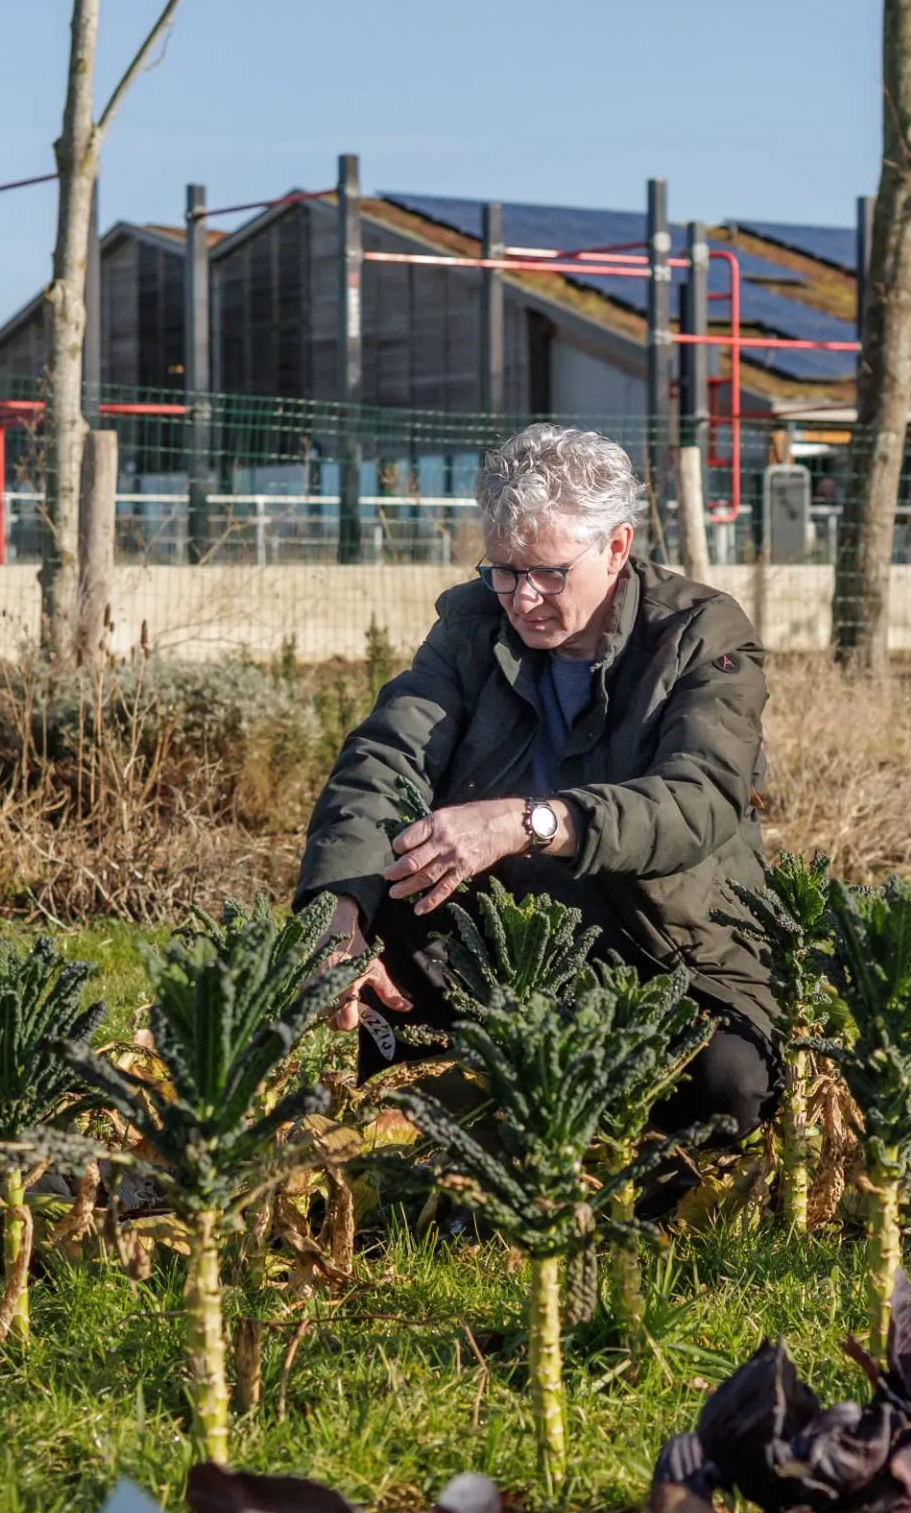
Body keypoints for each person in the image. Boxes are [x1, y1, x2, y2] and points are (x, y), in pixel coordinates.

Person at [294, 422, 777, 1152]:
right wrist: (337, 915)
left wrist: (531, 823)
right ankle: (428, 1172)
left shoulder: (699, 638)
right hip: (504, 937)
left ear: (615, 547)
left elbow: (698, 799)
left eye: (549, 572)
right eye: (503, 569)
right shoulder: (471, 630)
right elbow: (383, 761)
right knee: (399, 935)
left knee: (728, 1084)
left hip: (665, 943)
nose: (522, 599)